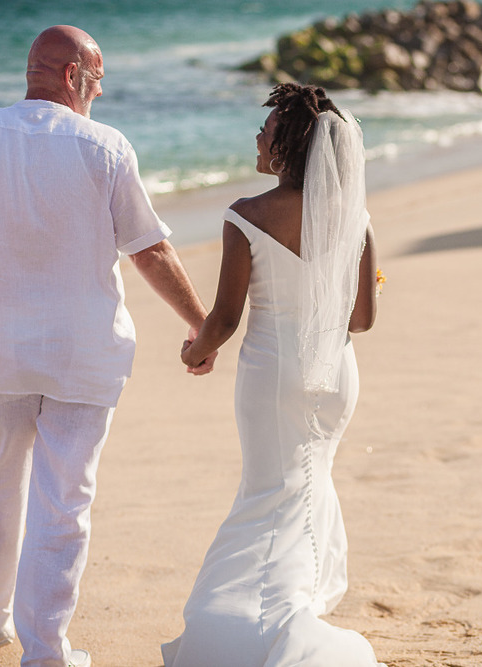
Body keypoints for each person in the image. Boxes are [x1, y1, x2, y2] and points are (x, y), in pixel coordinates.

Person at [0, 25, 213, 667]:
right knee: (66, 500)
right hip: (81, 352)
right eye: (97, 81)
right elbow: (149, 249)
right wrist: (202, 324)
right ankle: (47, 652)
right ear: (72, 77)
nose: (99, 93)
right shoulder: (107, 147)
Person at [163, 83, 383, 666]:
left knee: (267, 493)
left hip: (271, 376)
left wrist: (193, 352)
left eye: (266, 131)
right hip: (335, 376)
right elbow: (361, 319)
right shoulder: (354, 216)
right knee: (307, 486)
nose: (257, 137)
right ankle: (295, 606)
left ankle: (252, 631)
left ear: (286, 147)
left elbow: (227, 318)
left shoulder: (247, 215)